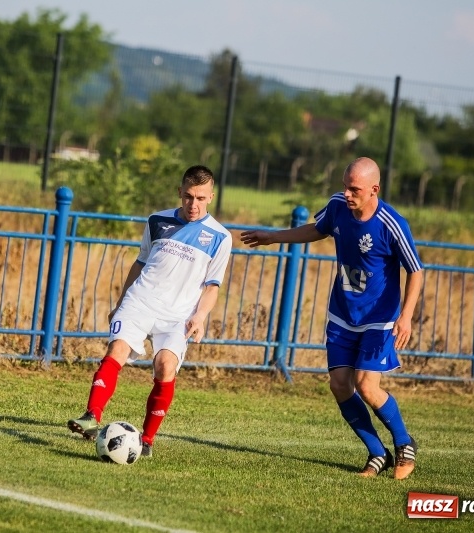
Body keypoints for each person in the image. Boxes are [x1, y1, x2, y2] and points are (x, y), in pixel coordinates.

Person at [240, 157, 423, 480]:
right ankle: (376, 453)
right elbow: (318, 229)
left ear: (373, 190)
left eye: (355, 189)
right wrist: (274, 236)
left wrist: (406, 317)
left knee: (367, 386)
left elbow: (416, 271)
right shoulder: (338, 205)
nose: (347, 193)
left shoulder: (392, 224)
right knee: (339, 385)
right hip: (342, 313)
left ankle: (404, 444)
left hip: (379, 318)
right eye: (345, 186)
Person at [67, 165, 232, 457]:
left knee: (165, 367)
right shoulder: (157, 220)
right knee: (116, 349)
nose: (194, 205)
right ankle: (91, 417)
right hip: (141, 300)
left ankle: (147, 440)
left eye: (201, 198)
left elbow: (212, 285)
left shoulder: (220, 237)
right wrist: (120, 302)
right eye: (189, 197)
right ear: (179, 193)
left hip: (178, 315)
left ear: (211, 197)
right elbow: (141, 262)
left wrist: (200, 316)